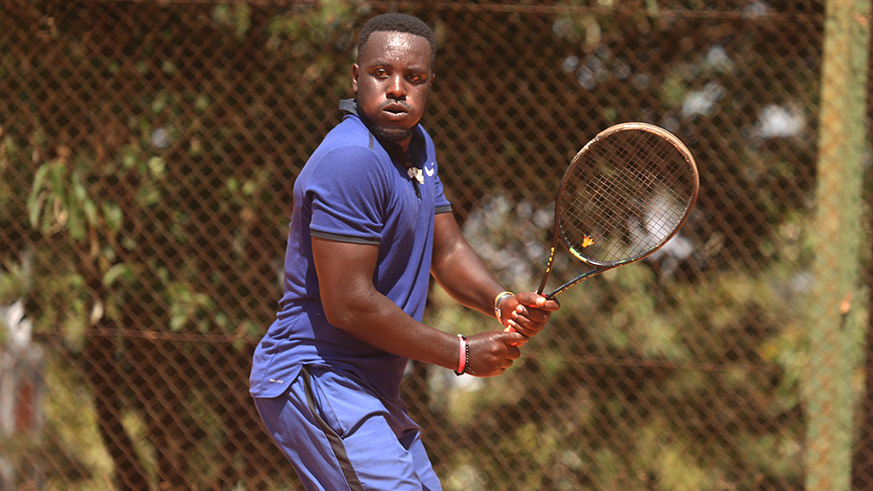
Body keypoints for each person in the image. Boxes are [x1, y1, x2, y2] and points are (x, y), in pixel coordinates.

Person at [249, 13, 560, 490]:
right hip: (316, 374)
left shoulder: (417, 147)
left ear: (429, 84)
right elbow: (349, 303)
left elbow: (447, 248)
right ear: (357, 78)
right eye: (382, 74)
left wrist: (502, 302)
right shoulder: (351, 160)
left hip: (371, 385)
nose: (397, 89)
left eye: (413, 78)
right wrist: (459, 353)